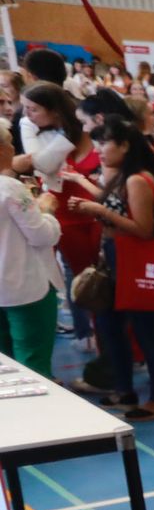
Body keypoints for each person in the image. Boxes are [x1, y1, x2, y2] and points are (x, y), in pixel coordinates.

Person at [73, 118, 154, 419]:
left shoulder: (137, 179)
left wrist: (101, 211)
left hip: (134, 261)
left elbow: (144, 229)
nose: (99, 151)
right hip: (115, 258)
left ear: (125, 145)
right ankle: (124, 390)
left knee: (147, 331)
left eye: (105, 143)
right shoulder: (120, 177)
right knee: (110, 328)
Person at [0, 136, 63, 377]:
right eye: (8, 143)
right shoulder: (9, 187)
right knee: (32, 363)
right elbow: (42, 236)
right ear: (3, 150)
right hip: (25, 288)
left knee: (6, 367)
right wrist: (46, 211)